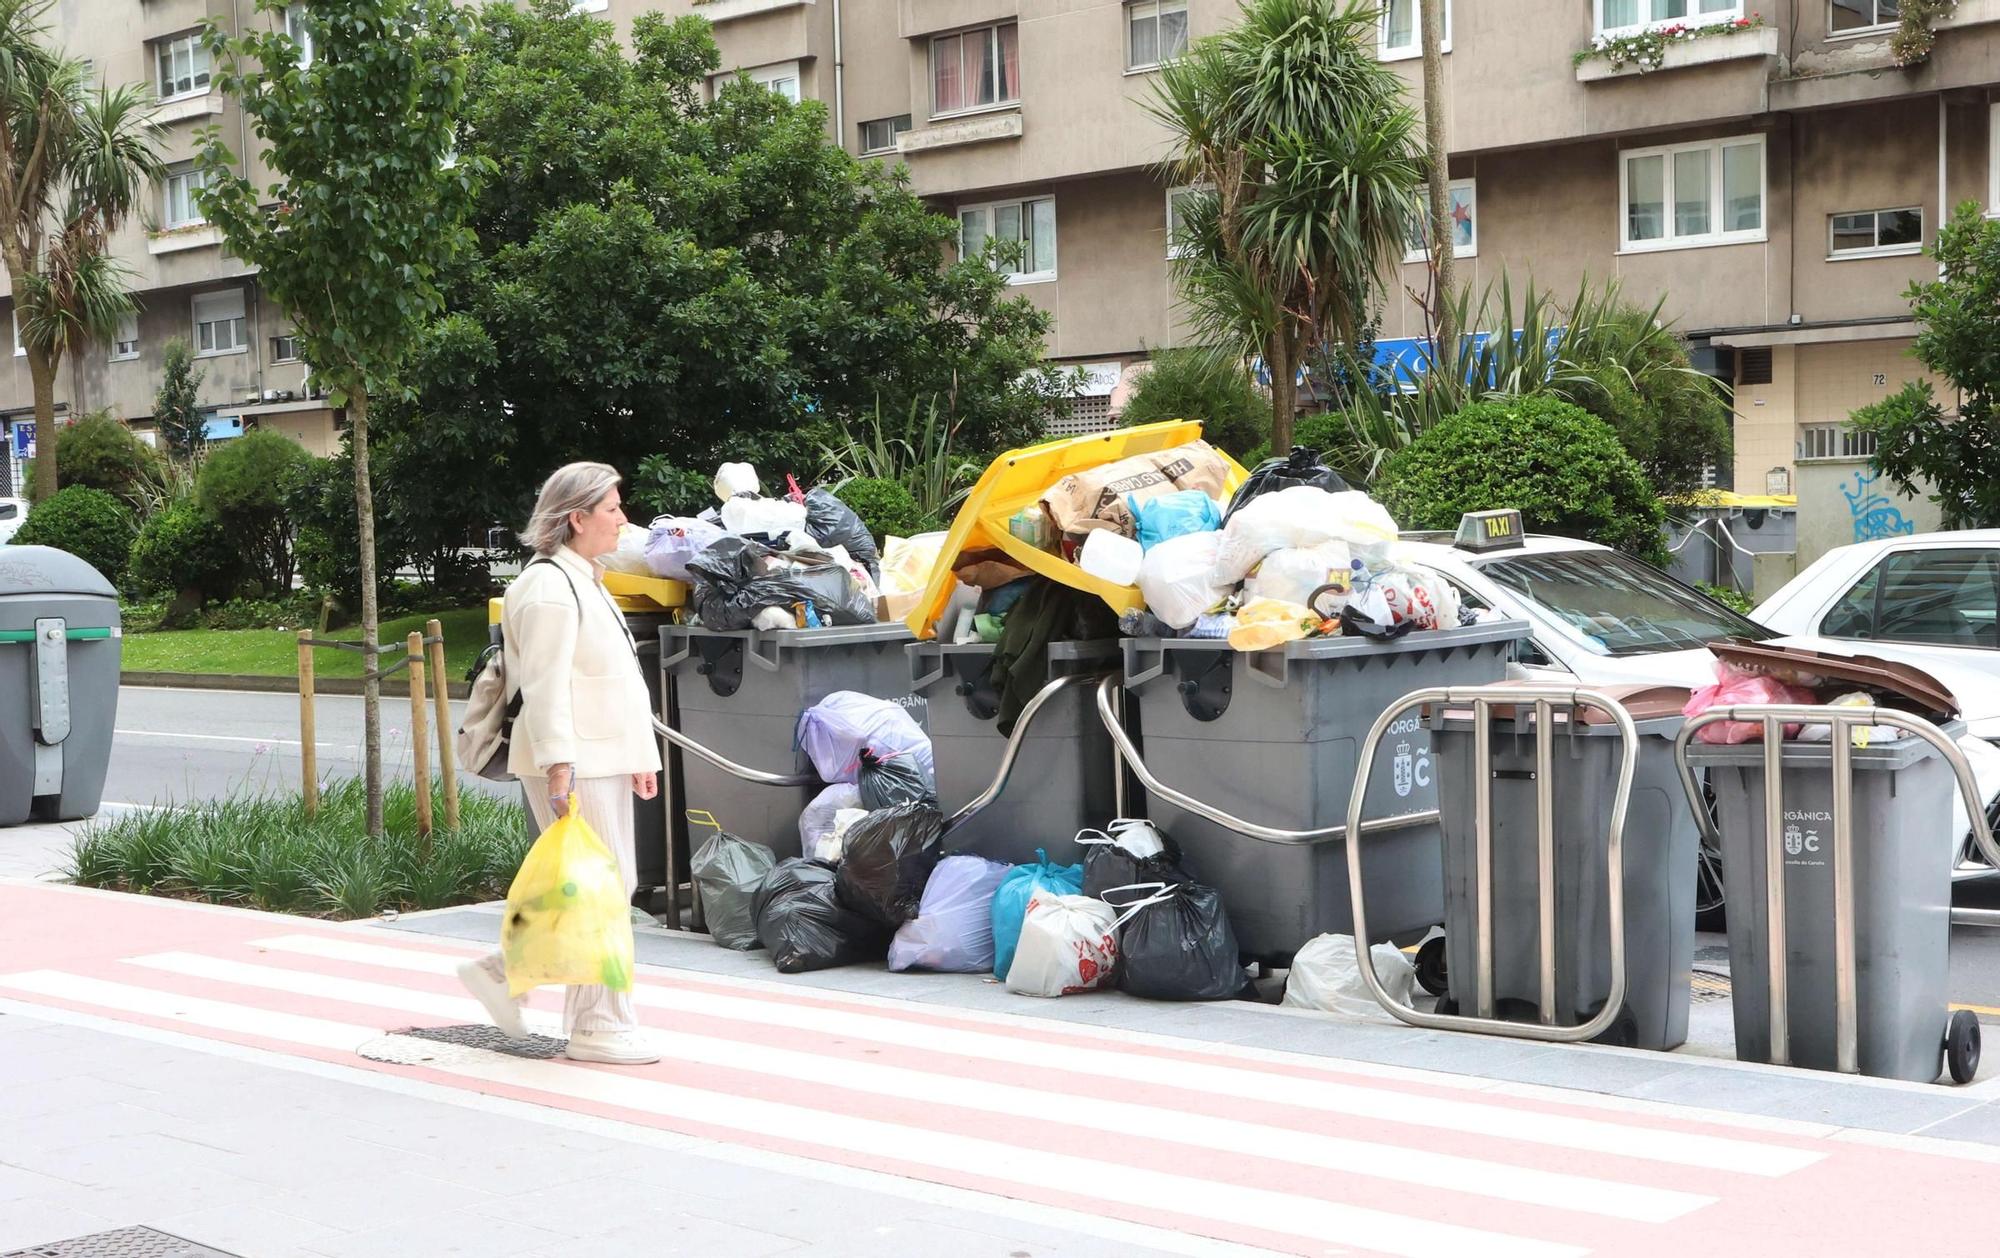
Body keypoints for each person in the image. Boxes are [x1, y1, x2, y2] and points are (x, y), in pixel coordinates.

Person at [458, 462, 662, 1065]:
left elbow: (611, 681)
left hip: (601, 757)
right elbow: (546, 688)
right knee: (604, 889)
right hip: (575, 761)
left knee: (600, 886)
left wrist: (638, 756)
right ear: (577, 518)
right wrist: (558, 767)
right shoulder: (550, 587)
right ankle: (598, 1026)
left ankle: (504, 973)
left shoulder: (584, 579)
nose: (623, 518)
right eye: (612, 508)